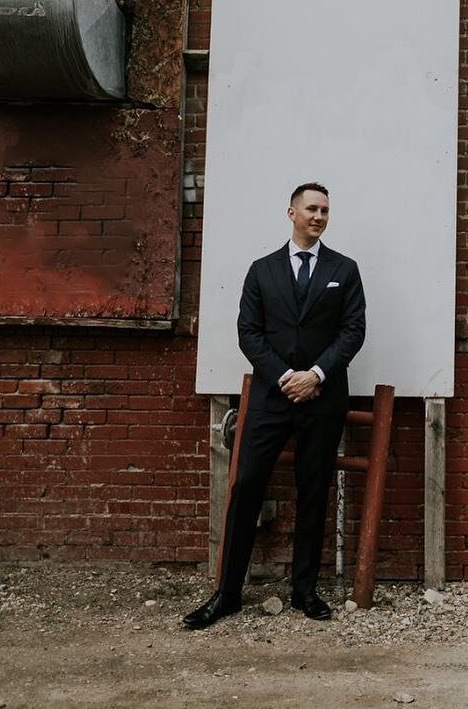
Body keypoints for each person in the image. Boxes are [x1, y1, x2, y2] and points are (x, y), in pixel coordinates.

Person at [183, 182, 367, 629]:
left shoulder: (345, 269)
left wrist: (315, 376)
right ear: (291, 213)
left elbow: (353, 330)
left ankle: (305, 591)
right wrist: (286, 377)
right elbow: (249, 333)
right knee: (245, 485)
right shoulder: (261, 271)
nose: (319, 216)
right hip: (271, 398)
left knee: (313, 491)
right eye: (311, 208)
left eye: (325, 210)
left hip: (321, 400)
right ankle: (227, 593)